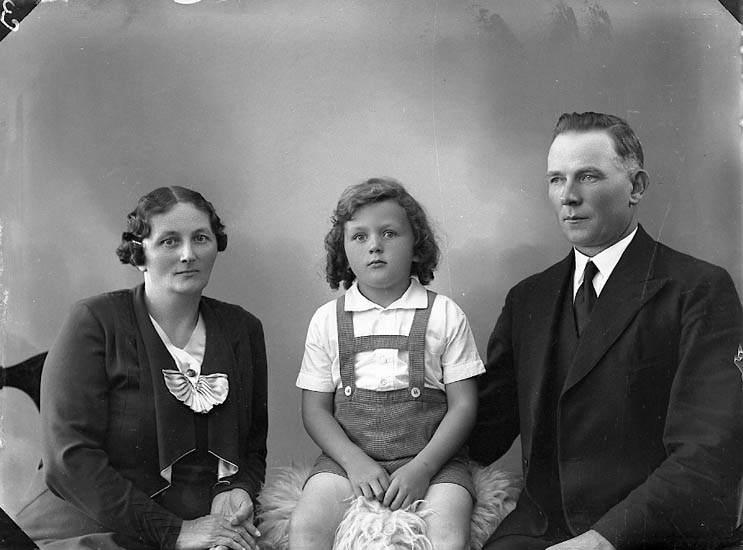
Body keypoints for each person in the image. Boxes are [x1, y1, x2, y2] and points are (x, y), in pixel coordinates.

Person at [469, 111, 743, 550]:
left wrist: (603, 539)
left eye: (588, 176)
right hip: (541, 532)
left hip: (652, 535)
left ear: (636, 187)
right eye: (556, 179)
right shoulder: (528, 299)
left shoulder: (698, 289)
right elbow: (481, 432)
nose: (568, 196)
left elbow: (707, 454)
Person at [15, 186, 268, 550]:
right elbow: (69, 460)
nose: (188, 254)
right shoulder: (94, 321)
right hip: (85, 527)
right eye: (169, 241)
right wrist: (173, 532)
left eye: (201, 238)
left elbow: (252, 450)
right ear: (139, 254)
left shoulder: (242, 329)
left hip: (200, 529)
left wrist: (235, 488)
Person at [289, 178, 485, 549]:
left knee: (448, 533)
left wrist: (424, 468)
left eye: (389, 233)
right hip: (348, 460)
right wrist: (353, 461)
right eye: (359, 236)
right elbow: (315, 410)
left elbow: (464, 406)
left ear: (417, 246)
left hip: (433, 459)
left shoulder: (444, 313)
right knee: (306, 525)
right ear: (343, 250)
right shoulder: (327, 320)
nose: (375, 245)